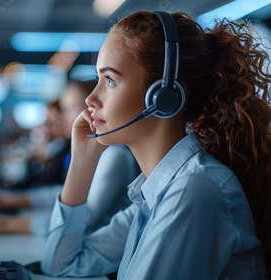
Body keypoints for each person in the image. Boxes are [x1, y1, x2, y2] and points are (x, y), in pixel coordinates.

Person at [41, 11, 271, 279]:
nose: (91, 99)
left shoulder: (195, 190)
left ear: (163, 97)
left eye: (111, 80)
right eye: (98, 80)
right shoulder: (155, 193)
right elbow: (61, 265)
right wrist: (82, 160)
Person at [0, 79, 140, 235]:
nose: (60, 117)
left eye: (67, 109)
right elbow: (68, 193)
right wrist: (18, 200)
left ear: (91, 109)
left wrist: (7, 224)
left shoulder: (115, 155)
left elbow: (84, 217)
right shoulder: (93, 151)